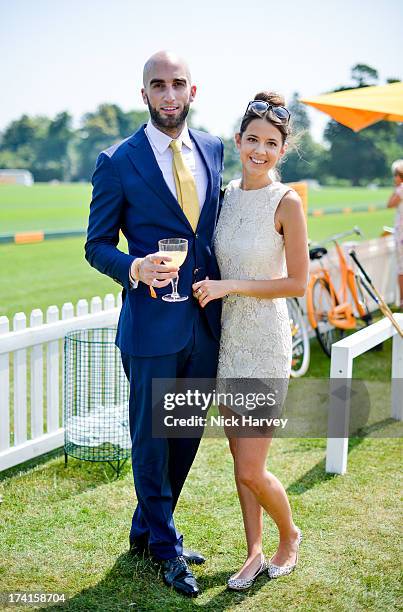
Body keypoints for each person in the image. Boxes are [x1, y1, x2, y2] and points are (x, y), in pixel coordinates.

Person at [85, 50, 223, 598]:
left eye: (178, 84)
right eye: (158, 85)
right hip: (148, 326)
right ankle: (166, 548)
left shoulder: (213, 148)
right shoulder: (116, 160)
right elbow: (96, 246)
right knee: (152, 438)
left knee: (185, 436)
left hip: (204, 324)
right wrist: (134, 267)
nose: (169, 95)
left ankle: (147, 531)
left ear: (194, 90)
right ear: (144, 94)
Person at [193, 92, 309, 590]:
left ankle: (290, 536)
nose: (260, 150)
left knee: (252, 467)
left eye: (271, 143)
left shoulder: (288, 202)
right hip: (228, 340)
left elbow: (297, 283)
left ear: (283, 150)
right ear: (238, 141)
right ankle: (254, 551)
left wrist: (228, 286)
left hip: (264, 343)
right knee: (239, 465)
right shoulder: (223, 196)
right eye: (253, 140)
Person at [387, 159, 403, 309]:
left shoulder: (400, 190)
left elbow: (390, 204)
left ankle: (402, 301)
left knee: (401, 268)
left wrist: (396, 188)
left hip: (401, 234)